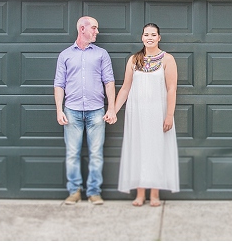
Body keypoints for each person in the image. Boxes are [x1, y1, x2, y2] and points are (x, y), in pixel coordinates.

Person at [113, 23, 180, 207]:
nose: (149, 37)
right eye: (146, 34)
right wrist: (113, 110)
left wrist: (169, 115)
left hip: (158, 113)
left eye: (153, 34)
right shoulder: (134, 60)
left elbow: (172, 89)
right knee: (139, 150)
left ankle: (155, 194)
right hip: (137, 114)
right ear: (142, 37)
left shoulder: (168, 59)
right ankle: (140, 193)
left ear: (159, 37)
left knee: (156, 150)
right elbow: (126, 88)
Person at [54, 16, 117, 205]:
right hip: (71, 110)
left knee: (96, 153)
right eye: (94, 28)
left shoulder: (101, 54)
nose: (97, 32)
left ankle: (94, 192)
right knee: (72, 153)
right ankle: (74, 191)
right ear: (82, 28)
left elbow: (109, 82)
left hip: (96, 111)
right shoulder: (65, 55)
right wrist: (59, 110)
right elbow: (59, 84)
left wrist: (112, 108)